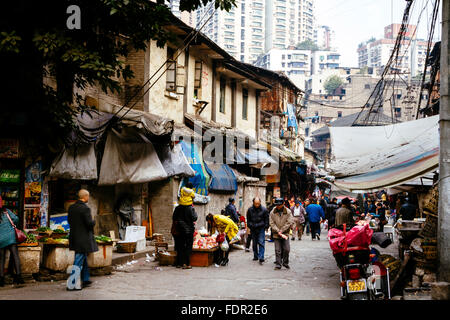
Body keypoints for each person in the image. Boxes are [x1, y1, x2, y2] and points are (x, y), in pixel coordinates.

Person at [67, 189, 98, 290]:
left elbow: (69, 221)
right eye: (88, 197)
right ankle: (71, 283)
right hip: (83, 239)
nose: (88, 198)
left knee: (83, 257)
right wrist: (93, 221)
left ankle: (85, 279)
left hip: (74, 237)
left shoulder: (71, 208)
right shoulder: (85, 209)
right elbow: (89, 224)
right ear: (85, 197)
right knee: (79, 259)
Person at [0, 196, 24, 287]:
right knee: (15, 256)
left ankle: (1, 280)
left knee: (1, 259)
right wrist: (12, 226)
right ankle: (18, 277)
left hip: (1, 239)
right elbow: (16, 219)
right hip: (11, 237)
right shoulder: (6, 211)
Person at [172, 191, 198, 269]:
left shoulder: (177, 208)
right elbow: (194, 218)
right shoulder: (190, 208)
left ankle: (179, 263)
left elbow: (174, 218)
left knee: (180, 246)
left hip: (179, 230)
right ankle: (187, 264)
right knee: (188, 247)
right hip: (189, 230)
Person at [269, 198, 295, 270]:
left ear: (283, 204)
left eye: (279, 205)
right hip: (276, 233)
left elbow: (289, 222)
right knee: (277, 250)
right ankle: (278, 264)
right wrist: (278, 231)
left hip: (285, 233)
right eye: (277, 205)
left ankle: (285, 262)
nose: (278, 206)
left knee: (287, 249)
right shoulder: (272, 212)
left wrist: (282, 230)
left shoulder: (288, 212)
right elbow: (271, 223)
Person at [246, 197, 269, 264]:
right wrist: (250, 225)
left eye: (258, 203)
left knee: (261, 242)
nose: (257, 205)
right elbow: (248, 220)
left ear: (260, 203)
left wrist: (266, 226)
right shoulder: (250, 210)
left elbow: (266, 219)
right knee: (254, 243)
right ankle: (255, 256)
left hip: (261, 228)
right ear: (253, 203)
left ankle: (261, 257)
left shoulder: (264, 210)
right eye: (255, 203)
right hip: (253, 228)